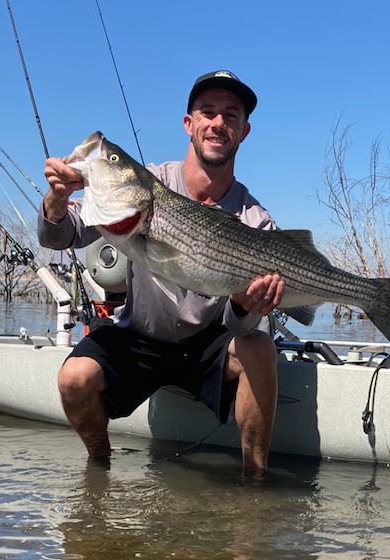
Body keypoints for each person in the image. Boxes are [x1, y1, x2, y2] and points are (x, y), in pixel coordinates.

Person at [38, 70, 285, 475]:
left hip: (209, 344)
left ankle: (255, 487)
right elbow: (61, 233)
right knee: (74, 378)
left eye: (230, 115)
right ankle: (98, 470)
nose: (217, 123)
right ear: (189, 124)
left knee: (259, 345)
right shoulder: (147, 184)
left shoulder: (255, 220)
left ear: (244, 132)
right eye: (207, 112)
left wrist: (243, 305)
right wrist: (58, 198)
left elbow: (240, 325)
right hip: (139, 336)